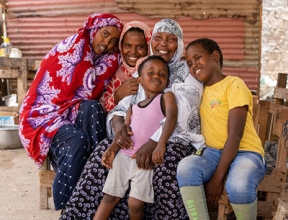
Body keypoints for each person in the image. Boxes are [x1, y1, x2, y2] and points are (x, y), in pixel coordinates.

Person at [60, 18, 205, 220]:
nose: (163, 44)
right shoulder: (144, 68)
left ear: (180, 44)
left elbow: (183, 115)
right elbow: (124, 106)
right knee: (102, 153)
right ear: (151, 41)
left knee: (165, 161)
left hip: (173, 139)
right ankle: (77, 216)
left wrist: (154, 141)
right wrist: (119, 128)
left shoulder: (187, 74)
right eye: (158, 38)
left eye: (171, 39)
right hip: (136, 137)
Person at [18, 13, 124, 211]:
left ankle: (93, 183)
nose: (107, 43)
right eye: (105, 34)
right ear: (94, 29)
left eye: (114, 41)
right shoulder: (75, 48)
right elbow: (88, 88)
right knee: (77, 141)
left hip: (67, 111)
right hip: (41, 116)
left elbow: (88, 96)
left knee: (93, 108)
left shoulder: (102, 58)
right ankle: (69, 207)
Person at [176, 38, 266, 220]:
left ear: (215, 56)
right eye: (190, 63)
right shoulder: (197, 90)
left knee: (238, 186)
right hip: (212, 152)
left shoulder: (233, 84)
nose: (194, 66)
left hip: (245, 151)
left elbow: (235, 134)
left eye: (198, 58)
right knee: (186, 168)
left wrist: (217, 179)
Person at [94, 55, 178, 220]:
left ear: (167, 82)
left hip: (143, 161)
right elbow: (125, 131)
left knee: (135, 203)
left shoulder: (166, 98)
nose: (156, 76)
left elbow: (172, 117)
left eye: (162, 74)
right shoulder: (132, 107)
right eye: (151, 72)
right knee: (109, 197)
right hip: (123, 158)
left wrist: (160, 144)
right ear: (139, 80)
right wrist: (112, 149)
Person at [99, 21, 151, 112]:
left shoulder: (154, 70)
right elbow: (101, 108)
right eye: (127, 46)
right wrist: (118, 95)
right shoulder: (113, 71)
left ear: (148, 47)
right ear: (121, 46)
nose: (133, 51)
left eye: (140, 47)